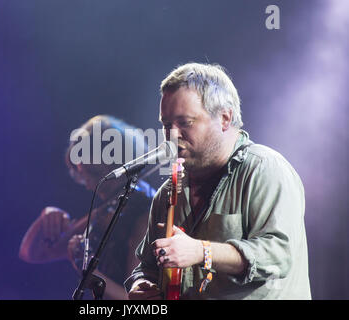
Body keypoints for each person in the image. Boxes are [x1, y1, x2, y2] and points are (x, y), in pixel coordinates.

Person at [125, 63, 311, 299]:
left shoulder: (265, 169)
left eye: (185, 122)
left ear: (224, 118)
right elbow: (147, 267)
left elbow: (279, 255)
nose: (172, 135)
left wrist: (202, 251)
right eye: (166, 125)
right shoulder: (167, 193)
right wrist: (142, 284)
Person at [19, 115, 156, 300]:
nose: (89, 185)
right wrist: (46, 217)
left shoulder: (147, 211)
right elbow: (33, 253)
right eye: (84, 176)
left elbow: (134, 300)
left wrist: (89, 272)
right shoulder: (107, 209)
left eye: (94, 174)